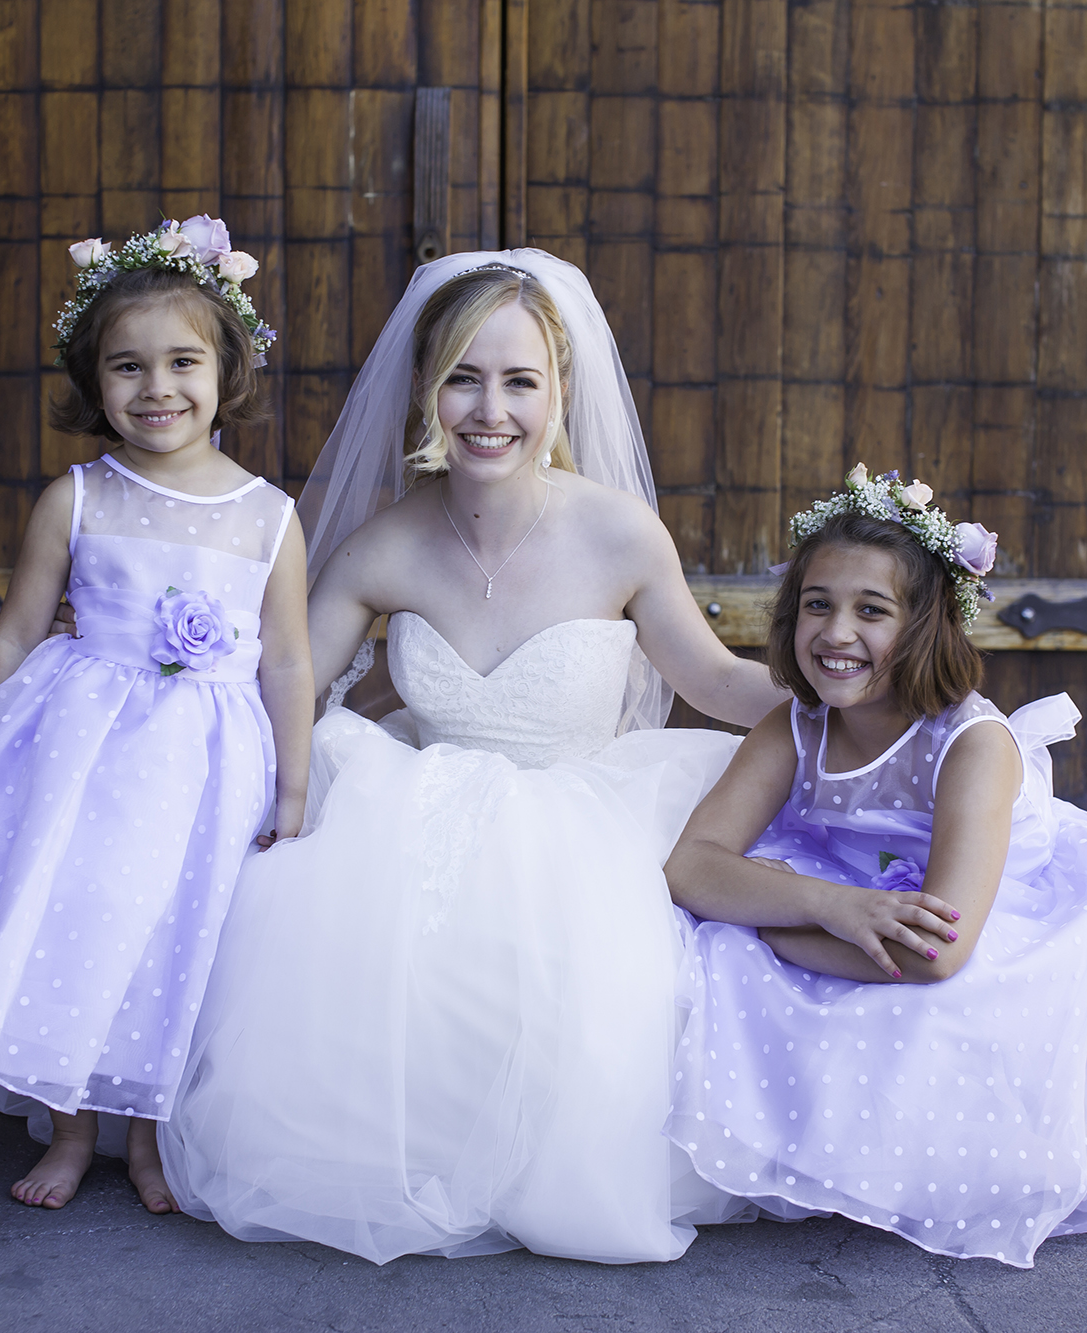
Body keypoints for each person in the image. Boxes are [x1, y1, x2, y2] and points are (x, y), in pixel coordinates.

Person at [157, 252, 790, 1263]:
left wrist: (865, 695)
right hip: (411, 807)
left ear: (560, 393)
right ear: (424, 390)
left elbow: (716, 684)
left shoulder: (618, 534)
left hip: (583, 819)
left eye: (519, 381)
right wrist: (138, 650)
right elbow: (284, 686)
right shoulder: (384, 545)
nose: (488, 408)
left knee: (598, 977)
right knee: (323, 928)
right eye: (462, 376)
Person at [0, 217, 312, 1214]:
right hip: (83, 758)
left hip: (206, 769)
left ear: (226, 369)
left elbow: (285, 657)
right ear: (92, 381)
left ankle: (147, 1141)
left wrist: (291, 780)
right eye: (127, 367)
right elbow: (18, 632)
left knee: (174, 938)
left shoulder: (267, 514)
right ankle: (69, 1128)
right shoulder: (75, 500)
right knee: (81, 923)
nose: (157, 389)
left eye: (183, 362)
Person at [661, 466, 1087, 1266]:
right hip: (852, 895)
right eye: (817, 603)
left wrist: (775, 928)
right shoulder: (795, 728)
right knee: (708, 954)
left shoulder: (971, 745)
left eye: (872, 610)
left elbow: (938, 952)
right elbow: (691, 864)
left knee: (919, 1006)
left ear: (925, 623)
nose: (836, 632)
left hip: (980, 909)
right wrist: (828, 905)